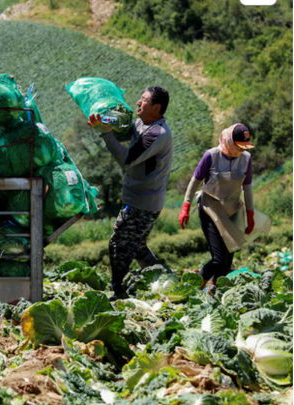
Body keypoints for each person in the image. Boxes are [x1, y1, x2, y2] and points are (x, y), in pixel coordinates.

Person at [88, 86, 172, 301]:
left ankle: (118, 292)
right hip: (141, 199)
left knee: (119, 243)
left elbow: (127, 159)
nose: (138, 102)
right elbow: (126, 132)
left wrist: (106, 135)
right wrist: (111, 120)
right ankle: (166, 282)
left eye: (143, 100)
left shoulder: (157, 134)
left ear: (156, 107)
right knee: (137, 246)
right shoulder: (141, 123)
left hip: (143, 202)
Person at [178, 123, 264, 290]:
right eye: (238, 146)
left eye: (244, 146)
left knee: (227, 260)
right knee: (219, 259)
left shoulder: (246, 158)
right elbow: (195, 181)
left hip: (231, 209)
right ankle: (194, 287)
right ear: (229, 142)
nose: (241, 150)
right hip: (210, 209)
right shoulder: (211, 156)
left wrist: (250, 214)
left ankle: (213, 292)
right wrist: (185, 206)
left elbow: (247, 187)